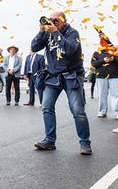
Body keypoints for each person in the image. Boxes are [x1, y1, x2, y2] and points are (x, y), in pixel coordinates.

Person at [31, 11, 92, 155]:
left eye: (56, 19)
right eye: (50, 20)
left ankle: (85, 143)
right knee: (46, 107)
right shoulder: (47, 33)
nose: (52, 22)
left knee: (78, 111)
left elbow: (69, 50)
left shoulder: (72, 32)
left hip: (72, 76)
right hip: (53, 76)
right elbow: (34, 47)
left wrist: (56, 32)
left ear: (64, 20)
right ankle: (49, 141)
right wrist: (41, 32)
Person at [90, 45, 118, 119]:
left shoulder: (115, 52)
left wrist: (114, 59)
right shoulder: (97, 53)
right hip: (101, 76)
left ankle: (117, 112)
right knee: (102, 94)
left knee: (116, 94)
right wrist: (103, 61)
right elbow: (93, 64)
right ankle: (102, 111)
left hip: (114, 76)